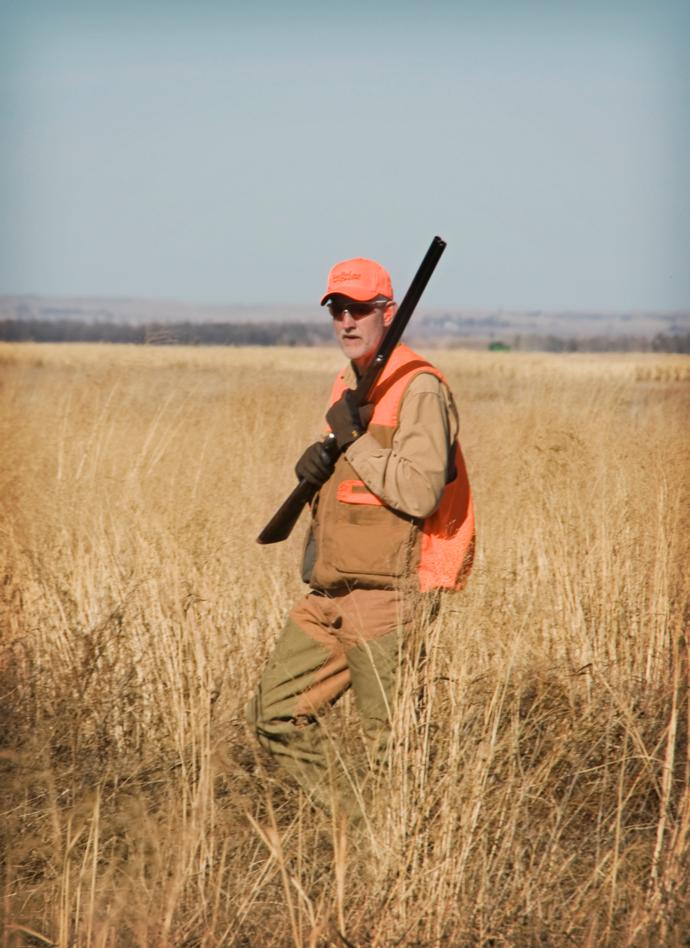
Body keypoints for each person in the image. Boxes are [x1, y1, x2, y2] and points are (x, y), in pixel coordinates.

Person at [247, 257, 474, 821]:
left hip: (387, 597)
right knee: (273, 714)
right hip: (328, 593)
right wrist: (321, 463)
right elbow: (356, 483)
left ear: (387, 313)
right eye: (338, 311)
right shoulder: (350, 382)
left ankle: (389, 857)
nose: (347, 322)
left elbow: (419, 493)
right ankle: (355, 820)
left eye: (360, 311)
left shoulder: (418, 386)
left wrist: (355, 441)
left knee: (389, 746)